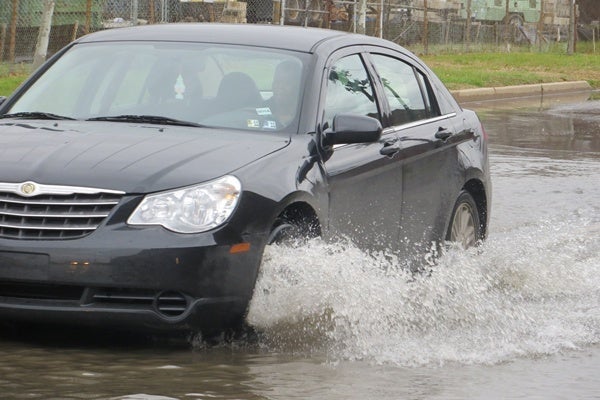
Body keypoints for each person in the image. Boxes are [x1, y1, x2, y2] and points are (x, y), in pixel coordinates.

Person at [264, 60, 302, 128]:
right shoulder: (261, 110)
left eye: (287, 83)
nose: (280, 87)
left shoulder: (307, 117)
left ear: (298, 86)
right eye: (277, 82)